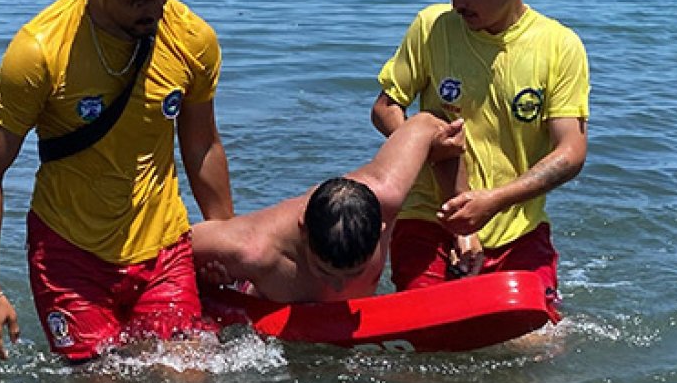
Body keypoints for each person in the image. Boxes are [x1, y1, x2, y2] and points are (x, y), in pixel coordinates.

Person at [0, 0, 235, 362]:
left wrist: (229, 243)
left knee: (191, 380)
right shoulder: (39, 51)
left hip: (164, 249)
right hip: (70, 256)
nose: (156, 12)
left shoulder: (192, 40)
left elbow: (202, 145)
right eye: (138, 2)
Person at [371, 0, 590, 306]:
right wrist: (423, 144)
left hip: (517, 229)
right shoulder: (431, 27)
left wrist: (494, 201)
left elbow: (571, 152)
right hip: (429, 220)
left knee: (539, 335)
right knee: (431, 328)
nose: (457, 3)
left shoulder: (559, 46)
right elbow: (386, 108)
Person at [191, 113, 470, 303]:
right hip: (262, 298)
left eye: (355, 273)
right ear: (303, 232)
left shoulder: (387, 192)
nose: (339, 286)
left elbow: (431, 125)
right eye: (323, 271)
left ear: (382, 229)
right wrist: (207, 283)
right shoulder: (252, 249)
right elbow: (169, 247)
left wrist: (462, 227)